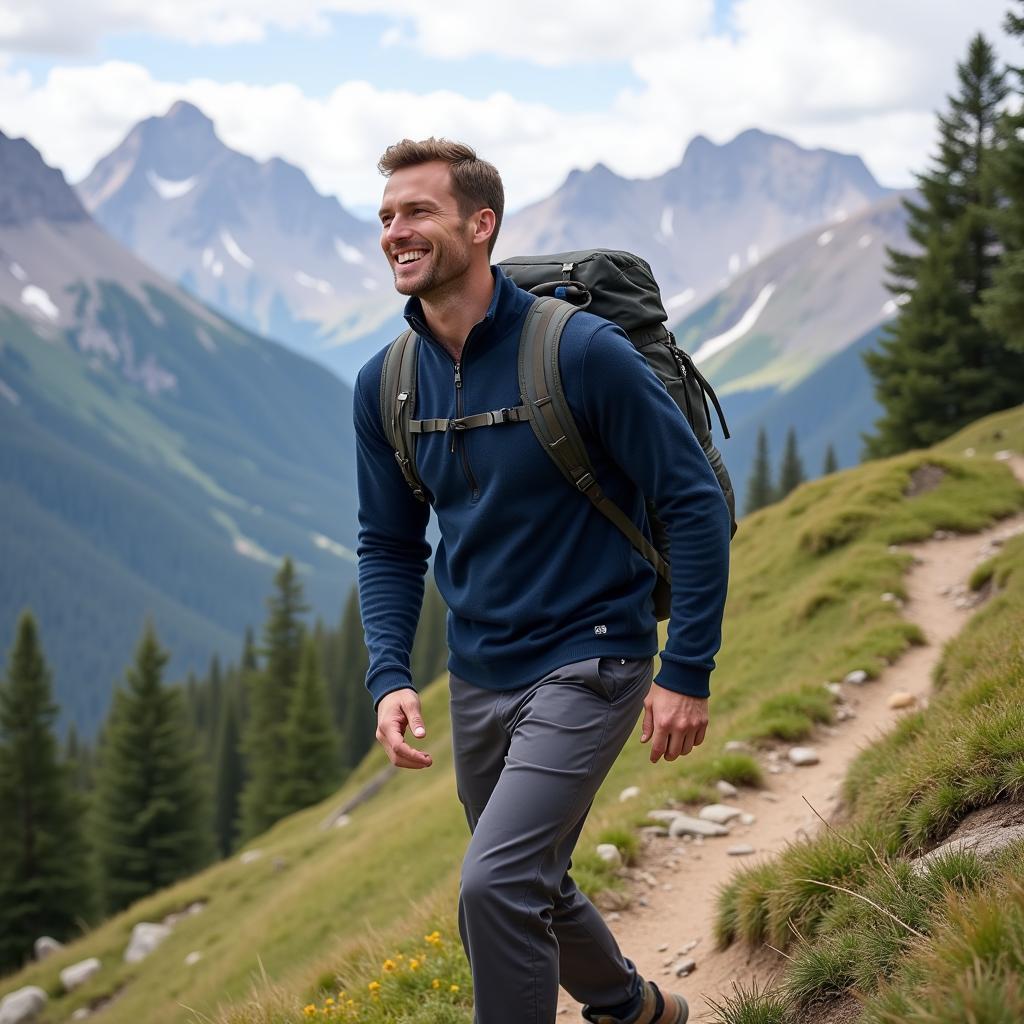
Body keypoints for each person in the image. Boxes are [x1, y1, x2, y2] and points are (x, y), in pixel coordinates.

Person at [353, 137, 730, 1024]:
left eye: (417, 213)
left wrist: (689, 669)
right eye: (385, 217)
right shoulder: (387, 383)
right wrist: (390, 674)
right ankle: (634, 1009)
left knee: (493, 886)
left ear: (480, 226)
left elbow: (693, 503)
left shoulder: (583, 352)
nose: (395, 232)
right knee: (529, 877)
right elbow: (388, 542)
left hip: (594, 658)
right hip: (480, 674)